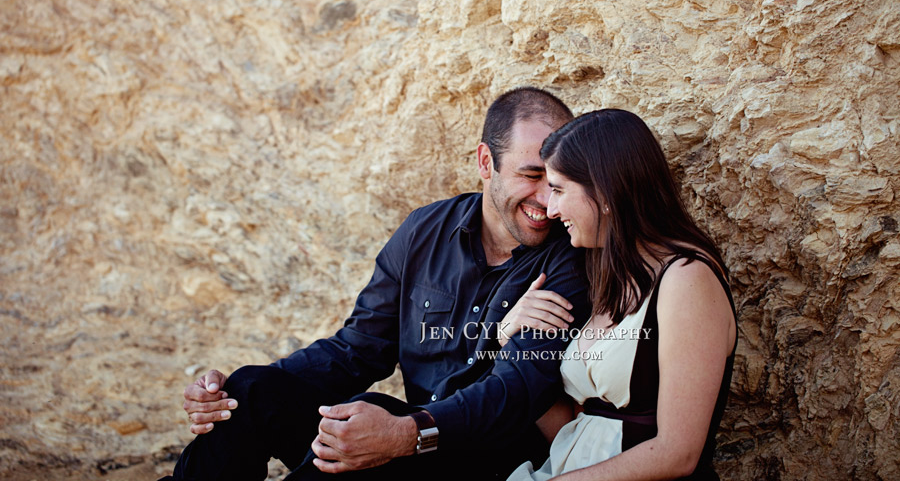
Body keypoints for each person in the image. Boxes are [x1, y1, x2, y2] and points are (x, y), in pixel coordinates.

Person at [161, 87, 591, 481]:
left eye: (555, 183)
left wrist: (406, 432)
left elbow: (514, 393)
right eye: (531, 176)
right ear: (485, 163)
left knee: (372, 415)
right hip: (405, 439)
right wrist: (228, 394)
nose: (546, 203)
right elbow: (357, 349)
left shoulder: (567, 260)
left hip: (482, 459)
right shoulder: (424, 231)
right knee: (251, 391)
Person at [501, 109, 737, 480]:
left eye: (559, 190)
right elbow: (577, 430)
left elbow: (679, 452)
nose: (551, 208)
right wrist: (510, 340)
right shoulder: (608, 277)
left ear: (606, 192)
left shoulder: (687, 280)